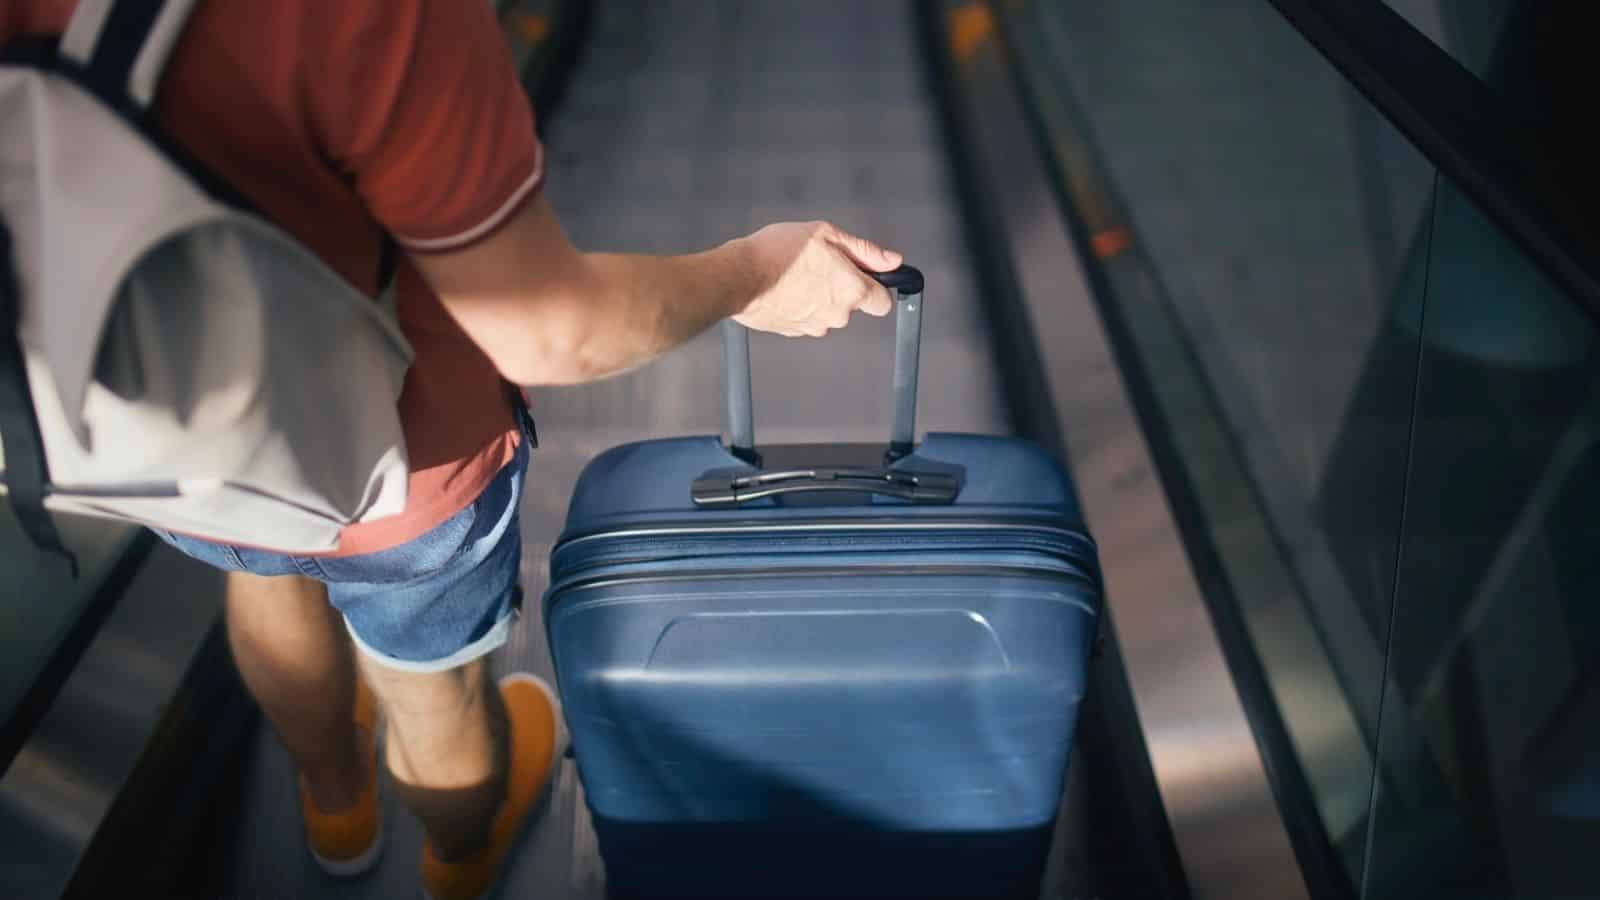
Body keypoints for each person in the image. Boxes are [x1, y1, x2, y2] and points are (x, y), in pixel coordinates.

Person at [1, 1, 903, 897]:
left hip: (162, 436)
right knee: (433, 689)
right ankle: (460, 855)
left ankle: (337, 801)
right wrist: (754, 272)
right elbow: (552, 332)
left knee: (263, 569)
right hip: (407, 466)